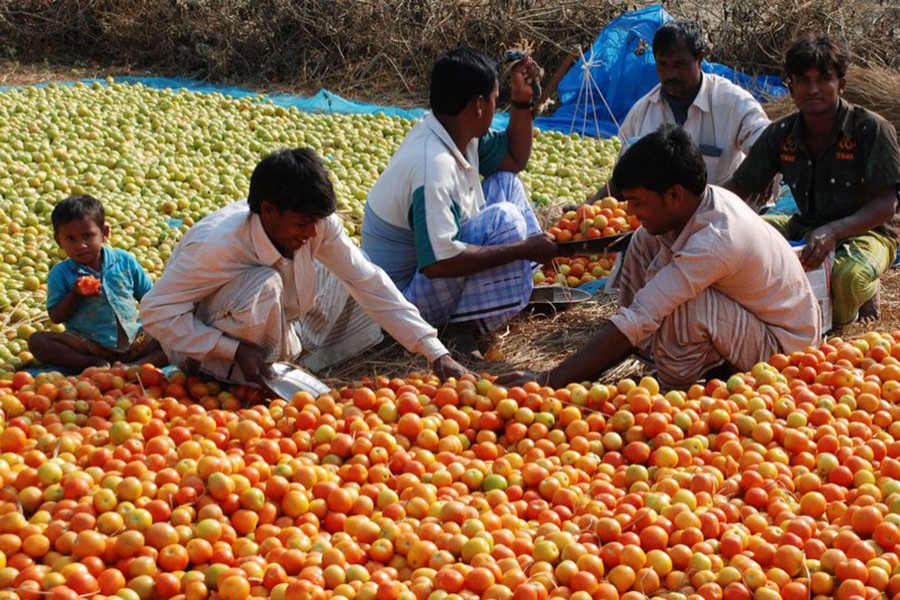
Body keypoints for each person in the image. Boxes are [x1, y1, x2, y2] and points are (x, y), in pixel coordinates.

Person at [501, 125, 820, 388]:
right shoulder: (694, 205)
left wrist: (546, 382)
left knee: (685, 306)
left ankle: (681, 386)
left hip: (784, 349)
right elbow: (635, 318)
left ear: (675, 195)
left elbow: (640, 317)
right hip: (749, 319)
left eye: (639, 203)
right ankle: (657, 354)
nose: (632, 212)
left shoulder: (715, 239)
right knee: (641, 241)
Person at [140, 147, 467, 387]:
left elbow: (367, 281)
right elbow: (155, 311)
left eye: (316, 223)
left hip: (269, 317)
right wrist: (232, 349)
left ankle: (279, 360)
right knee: (265, 283)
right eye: (301, 223)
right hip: (207, 338)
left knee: (347, 268)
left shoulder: (316, 227)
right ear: (268, 210)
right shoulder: (216, 247)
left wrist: (433, 351)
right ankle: (234, 375)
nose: (311, 233)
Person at [361, 48, 560, 360]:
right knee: (505, 220)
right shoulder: (433, 166)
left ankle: (493, 299)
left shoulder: (458, 134)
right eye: (496, 99)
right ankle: (461, 328)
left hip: (426, 275)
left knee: (506, 183)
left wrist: (523, 101)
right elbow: (440, 262)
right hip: (400, 309)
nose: (497, 108)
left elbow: (514, 160)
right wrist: (523, 250)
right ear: (478, 105)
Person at [726, 34, 900, 327]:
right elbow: (739, 188)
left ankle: (863, 297)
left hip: (870, 230)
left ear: (840, 84)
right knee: (740, 243)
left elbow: (887, 204)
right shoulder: (780, 133)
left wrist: (834, 230)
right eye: (803, 80)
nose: (814, 89)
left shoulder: (870, 129)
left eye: (824, 79)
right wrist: (695, 208)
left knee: (847, 279)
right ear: (790, 87)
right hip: (806, 224)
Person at [591, 19, 769, 201]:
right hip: (660, 223)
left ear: (699, 59)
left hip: (721, 221)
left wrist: (722, 201)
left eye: (679, 64)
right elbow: (623, 179)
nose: (671, 75)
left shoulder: (733, 102)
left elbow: (766, 145)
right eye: (663, 64)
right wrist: (588, 207)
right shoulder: (642, 113)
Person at [28, 195, 167, 370]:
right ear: (59, 241)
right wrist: (75, 294)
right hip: (88, 345)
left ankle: (132, 367)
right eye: (71, 239)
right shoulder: (60, 273)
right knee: (37, 341)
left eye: (87, 236)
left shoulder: (124, 261)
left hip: (135, 340)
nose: (81, 245)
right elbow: (56, 317)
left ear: (104, 233)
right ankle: (94, 364)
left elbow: (150, 298)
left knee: (179, 338)